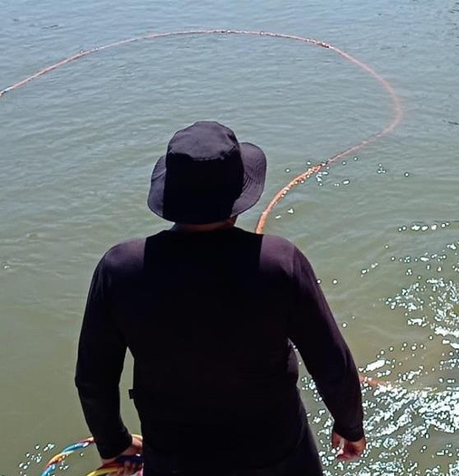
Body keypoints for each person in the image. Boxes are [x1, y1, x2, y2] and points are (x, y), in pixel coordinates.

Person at [75, 121, 366, 476]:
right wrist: (350, 426)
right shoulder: (278, 263)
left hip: (174, 457)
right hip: (277, 453)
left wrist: (113, 442)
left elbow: (93, 377)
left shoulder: (120, 269)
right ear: (238, 198)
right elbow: (331, 361)